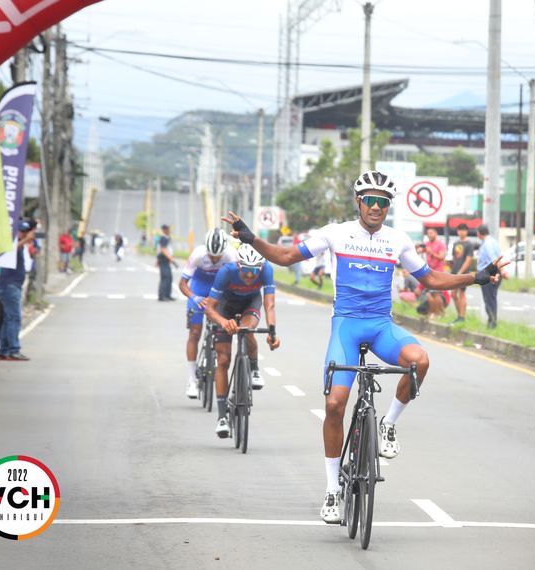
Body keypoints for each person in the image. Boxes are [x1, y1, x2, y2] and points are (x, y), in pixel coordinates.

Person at [221, 170, 508, 523]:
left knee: (420, 360)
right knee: (336, 403)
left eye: (382, 202)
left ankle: (387, 423)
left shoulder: (398, 240)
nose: (376, 207)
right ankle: (331, 490)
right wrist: (250, 238)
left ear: (388, 206)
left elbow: (431, 279)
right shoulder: (336, 233)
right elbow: (284, 257)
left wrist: (477, 277)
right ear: (358, 201)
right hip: (347, 327)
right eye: (369, 200)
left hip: (381, 326)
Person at [202, 244, 280, 437]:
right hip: (225, 308)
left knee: (247, 330)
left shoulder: (266, 270)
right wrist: (223, 322)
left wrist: (272, 331)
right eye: (246, 269)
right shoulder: (226, 272)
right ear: (239, 265)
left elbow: (269, 305)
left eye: (255, 270)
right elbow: (210, 308)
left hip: (250, 304)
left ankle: (253, 369)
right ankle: (222, 417)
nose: (251, 275)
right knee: (223, 360)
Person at [178, 228, 237, 399]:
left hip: (220, 290)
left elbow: (236, 281)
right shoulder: (197, 254)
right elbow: (182, 284)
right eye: (211, 256)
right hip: (199, 288)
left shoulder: (231, 255)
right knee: (194, 332)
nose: (214, 259)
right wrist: (194, 297)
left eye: (218, 257)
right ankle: (192, 379)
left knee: (224, 328)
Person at [0, 221, 34, 361]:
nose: (24, 234)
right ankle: (13, 350)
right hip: (9, 286)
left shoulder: (20, 245)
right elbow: (10, 251)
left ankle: (3, 350)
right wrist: (24, 240)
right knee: (14, 318)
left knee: (8, 318)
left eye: (25, 231)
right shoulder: (12, 244)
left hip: (12, 285)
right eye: (21, 231)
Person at [476, 224, 502, 328]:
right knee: (492, 298)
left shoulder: (487, 244)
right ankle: (492, 321)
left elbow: (493, 258)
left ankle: (492, 323)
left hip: (489, 274)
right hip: (494, 272)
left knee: (489, 299)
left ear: (479, 233)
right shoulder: (493, 241)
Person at [449, 223, 475, 323]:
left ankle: (462, 317)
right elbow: (454, 258)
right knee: (453, 294)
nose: (461, 232)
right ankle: (459, 315)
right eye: (459, 230)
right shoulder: (455, 243)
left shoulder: (469, 244)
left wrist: (460, 272)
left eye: (463, 230)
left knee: (462, 293)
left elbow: (468, 260)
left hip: (464, 273)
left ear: (466, 231)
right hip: (454, 272)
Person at [156, 224, 177, 301]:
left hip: (165, 261)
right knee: (165, 278)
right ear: (164, 230)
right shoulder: (163, 238)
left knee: (169, 278)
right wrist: (171, 259)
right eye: (168, 229)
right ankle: (162, 296)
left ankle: (167, 295)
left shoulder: (166, 238)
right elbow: (163, 249)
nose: (169, 231)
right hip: (164, 260)